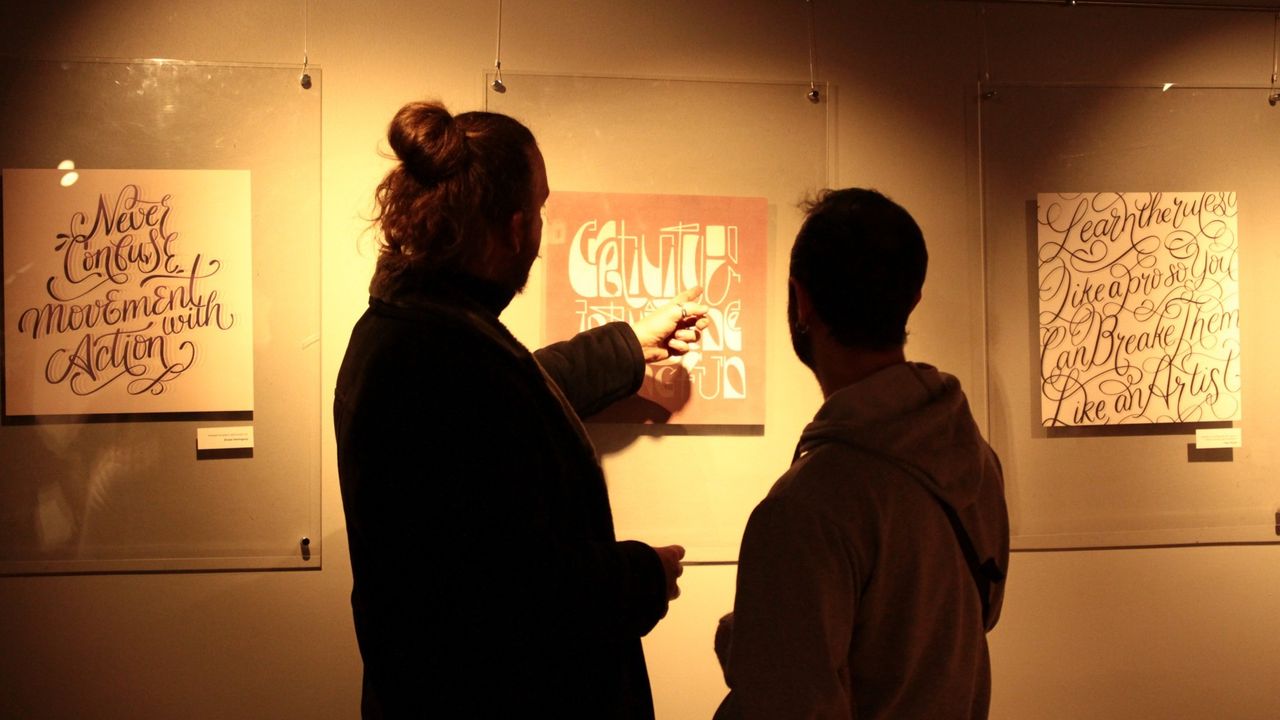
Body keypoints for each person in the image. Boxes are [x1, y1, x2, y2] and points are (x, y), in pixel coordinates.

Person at [334, 100, 706, 719]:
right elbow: (515, 597)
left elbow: (513, 395)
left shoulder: (409, 330)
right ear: (513, 229)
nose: (539, 230)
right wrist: (642, 576)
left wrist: (629, 346)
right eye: (538, 209)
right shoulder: (441, 363)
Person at [714, 188, 1010, 719]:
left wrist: (755, 647)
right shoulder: (976, 459)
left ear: (802, 301)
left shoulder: (805, 507)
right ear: (912, 299)